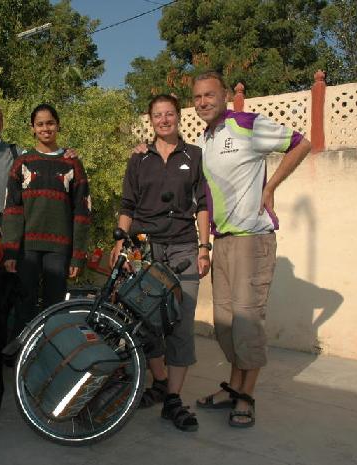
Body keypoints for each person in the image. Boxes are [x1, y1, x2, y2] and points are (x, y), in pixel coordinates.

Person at [191, 71, 311, 428]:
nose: (203, 102)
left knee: (247, 322)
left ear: (225, 95)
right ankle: (234, 387)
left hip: (252, 239)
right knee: (225, 324)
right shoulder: (206, 137)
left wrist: (271, 185)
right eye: (197, 97)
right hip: (223, 240)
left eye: (209, 95)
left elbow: (300, 143)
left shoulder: (247, 124)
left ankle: (246, 396)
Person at [111, 94, 211, 432]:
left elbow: (202, 205)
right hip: (145, 248)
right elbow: (128, 204)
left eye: (169, 114)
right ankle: (159, 381)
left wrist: (203, 247)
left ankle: (173, 400)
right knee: (147, 322)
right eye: (158, 115)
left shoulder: (193, 155)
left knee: (180, 324)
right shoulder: (139, 158)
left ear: (178, 117)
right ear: (151, 120)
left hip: (183, 248)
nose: (164, 120)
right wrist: (119, 243)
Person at [1, 103, 91, 339]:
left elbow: (82, 211)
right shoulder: (23, 163)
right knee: (24, 303)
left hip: (59, 250)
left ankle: (51, 354)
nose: (45, 128)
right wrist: (10, 251)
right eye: (40, 124)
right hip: (27, 248)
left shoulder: (72, 163)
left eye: (50, 123)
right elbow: (12, 208)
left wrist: (78, 255)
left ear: (58, 125)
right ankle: (20, 351)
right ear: (32, 128)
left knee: (55, 306)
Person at [0, 104, 78, 224]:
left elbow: (44, 167)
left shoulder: (18, 154)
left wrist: (63, 154)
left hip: (9, 230)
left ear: (2, 124)